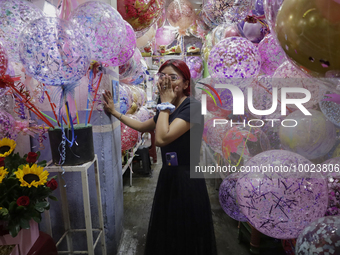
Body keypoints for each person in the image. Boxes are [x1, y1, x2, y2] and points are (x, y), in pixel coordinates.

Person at [103, 59, 217, 255]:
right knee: (169, 230)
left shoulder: (193, 107)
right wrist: (114, 112)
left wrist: (164, 104)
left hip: (187, 178)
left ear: (186, 84)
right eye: (163, 76)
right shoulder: (167, 107)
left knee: (187, 232)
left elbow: (162, 138)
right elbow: (144, 126)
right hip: (169, 175)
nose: (167, 81)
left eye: (173, 77)